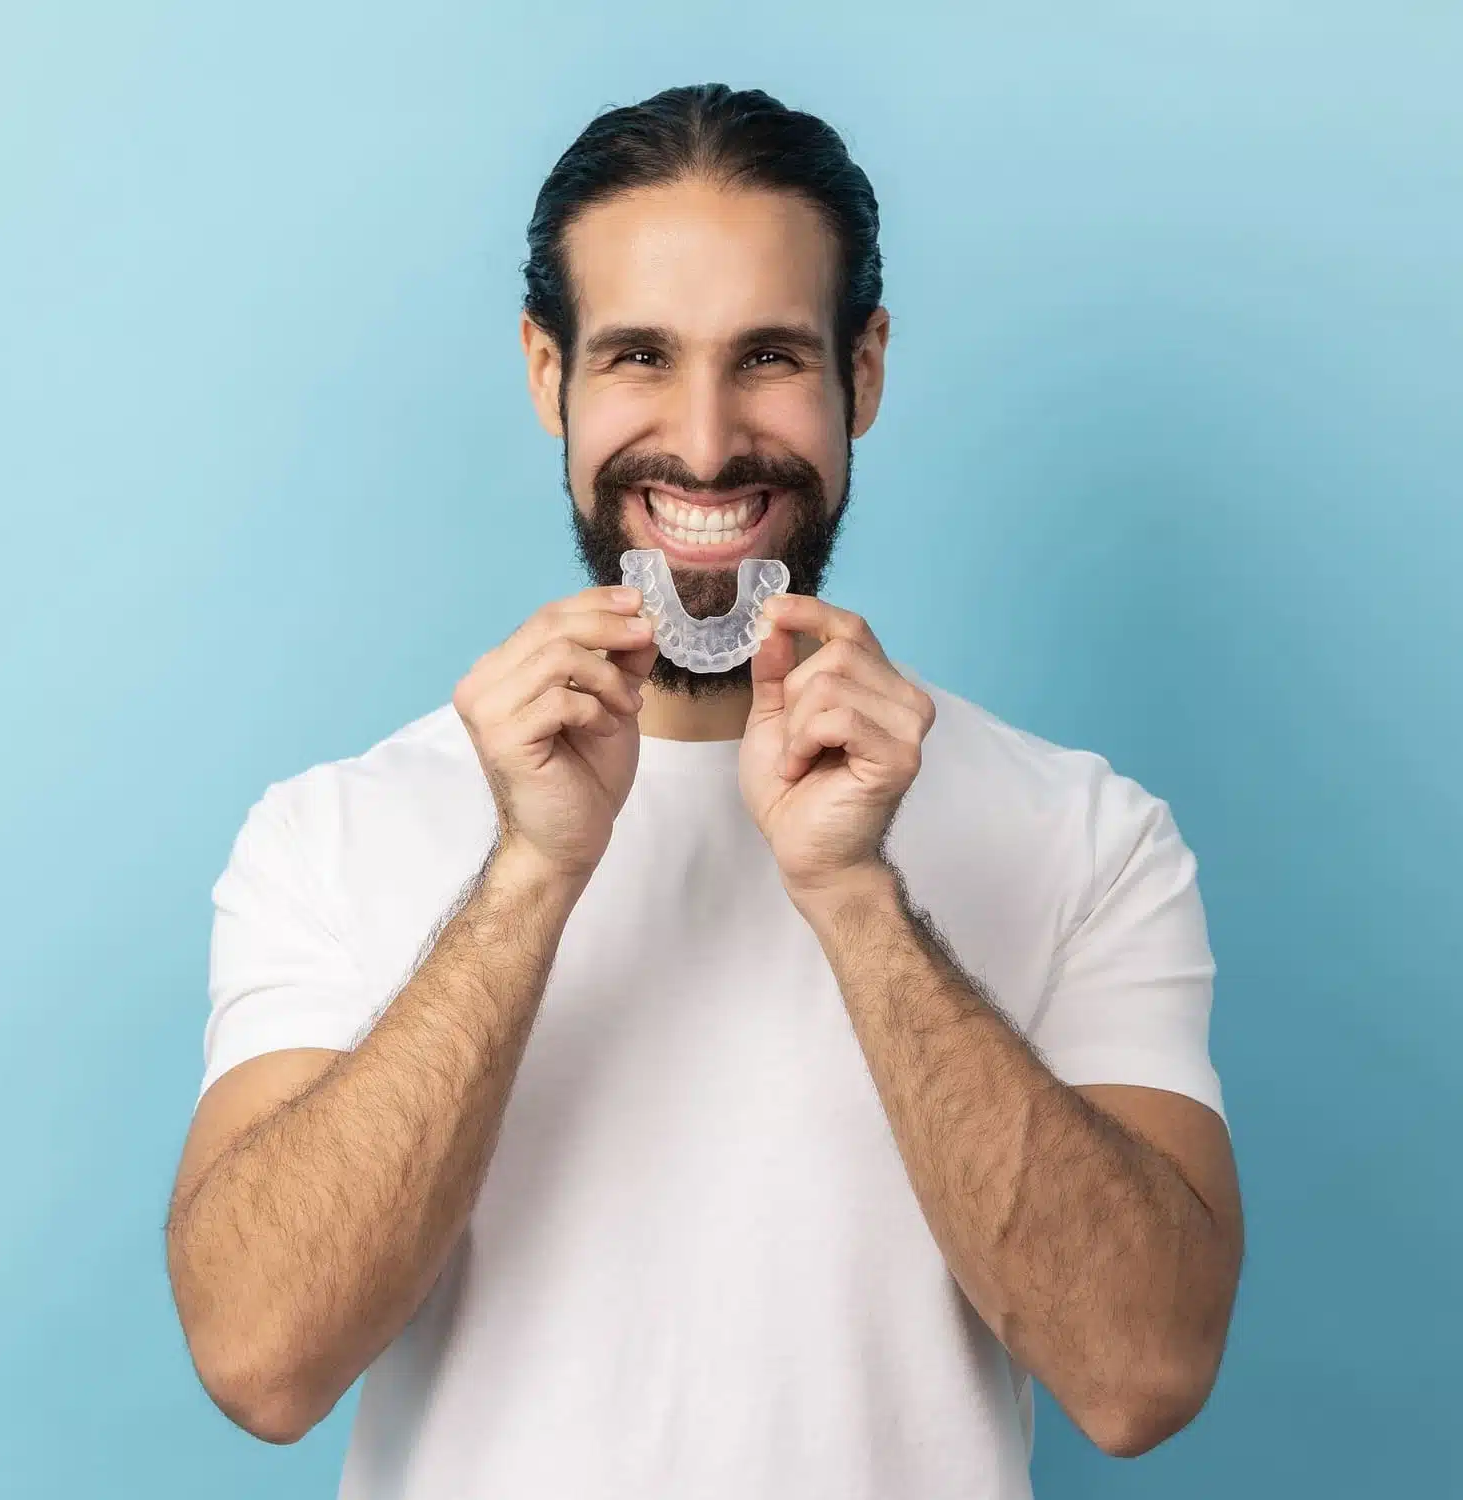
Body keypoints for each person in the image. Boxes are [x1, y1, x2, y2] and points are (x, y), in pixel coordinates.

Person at [165, 83, 1243, 1500]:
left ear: (863, 372)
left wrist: (854, 896)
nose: (709, 440)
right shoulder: (332, 834)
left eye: (769, 358)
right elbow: (260, 1363)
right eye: (638, 358)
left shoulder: (1090, 836)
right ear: (549, 374)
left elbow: (1143, 1376)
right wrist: (530, 876)